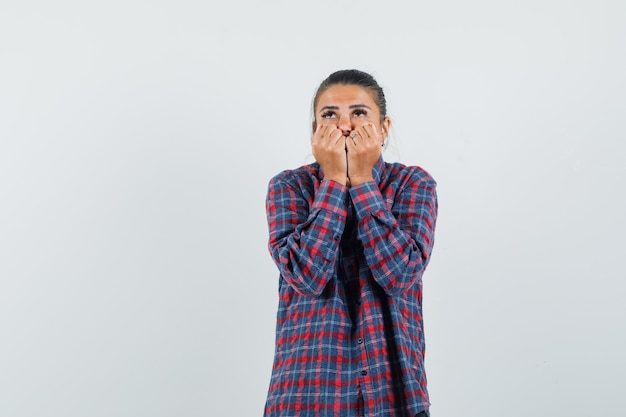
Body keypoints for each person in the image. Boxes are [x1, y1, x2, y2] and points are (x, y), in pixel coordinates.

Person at [264, 69, 438, 417]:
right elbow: (306, 275)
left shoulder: (412, 184)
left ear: (383, 128)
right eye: (329, 115)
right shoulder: (289, 187)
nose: (344, 125)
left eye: (359, 113)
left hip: (392, 393)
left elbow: (400, 274)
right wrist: (333, 181)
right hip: (307, 393)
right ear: (315, 130)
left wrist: (360, 181)